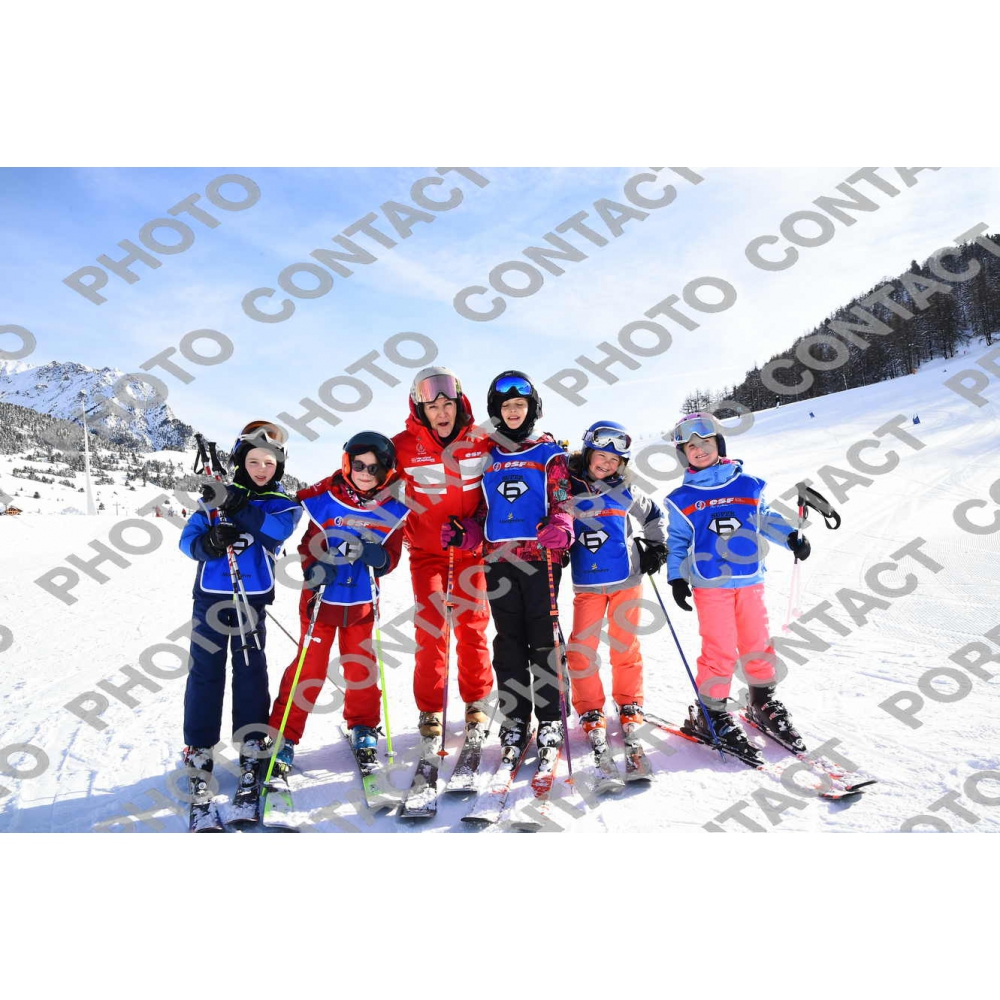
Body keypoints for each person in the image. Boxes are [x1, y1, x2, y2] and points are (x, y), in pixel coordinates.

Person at [664, 412, 811, 761]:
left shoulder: (748, 485)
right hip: (709, 585)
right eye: (691, 447)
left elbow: (766, 520)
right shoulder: (682, 498)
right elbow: (678, 541)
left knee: (757, 641)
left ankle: (761, 700)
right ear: (683, 454)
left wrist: (791, 537)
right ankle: (712, 710)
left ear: (720, 444)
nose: (699, 450)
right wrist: (676, 577)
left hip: (750, 580)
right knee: (720, 647)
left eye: (706, 442)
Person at [267, 432, 408, 769]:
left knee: (360, 665)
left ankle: (363, 725)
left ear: (385, 472)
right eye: (359, 465)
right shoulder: (327, 500)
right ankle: (284, 734)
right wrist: (315, 567)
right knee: (310, 667)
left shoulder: (391, 510)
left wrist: (378, 557)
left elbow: (391, 556)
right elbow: (308, 545)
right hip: (321, 600)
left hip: (360, 602)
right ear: (347, 464)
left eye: (373, 468)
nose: (365, 473)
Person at [179, 421, 301, 781]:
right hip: (211, 599)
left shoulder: (282, 504)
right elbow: (187, 541)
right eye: (254, 461)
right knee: (205, 671)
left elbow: (275, 532)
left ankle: (251, 739)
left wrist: (237, 503)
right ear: (240, 462)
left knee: (250, 670)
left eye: (269, 463)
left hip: (252, 598)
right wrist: (210, 542)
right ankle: (199, 745)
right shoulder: (214, 498)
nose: (262, 469)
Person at [474, 371, 572, 755]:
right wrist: (467, 531)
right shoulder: (487, 456)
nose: (513, 411)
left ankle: (550, 717)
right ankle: (515, 718)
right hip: (498, 558)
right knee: (508, 643)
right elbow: (480, 507)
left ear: (532, 408)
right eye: (506, 406)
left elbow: (562, 500)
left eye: (520, 404)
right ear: (496, 411)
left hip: (541, 557)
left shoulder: (549, 453)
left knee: (544, 640)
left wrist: (562, 527)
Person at [392, 367, 493, 740]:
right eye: (433, 406)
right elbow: (372, 486)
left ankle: (476, 700)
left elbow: (500, 488)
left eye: (447, 403)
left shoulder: (482, 441)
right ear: (420, 410)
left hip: (470, 552)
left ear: (459, 403)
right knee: (431, 628)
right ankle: (430, 707)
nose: (441, 412)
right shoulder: (402, 447)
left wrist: (478, 528)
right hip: (428, 555)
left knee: (473, 626)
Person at [564, 420, 666, 750]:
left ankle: (629, 702)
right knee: (581, 649)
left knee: (625, 645)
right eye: (601, 456)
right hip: (588, 584)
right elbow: (556, 520)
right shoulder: (569, 489)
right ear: (587, 453)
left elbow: (653, 515)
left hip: (627, 579)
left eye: (614, 460)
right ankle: (590, 708)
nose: (607, 464)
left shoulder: (625, 491)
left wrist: (656, 547)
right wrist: (558, 547)